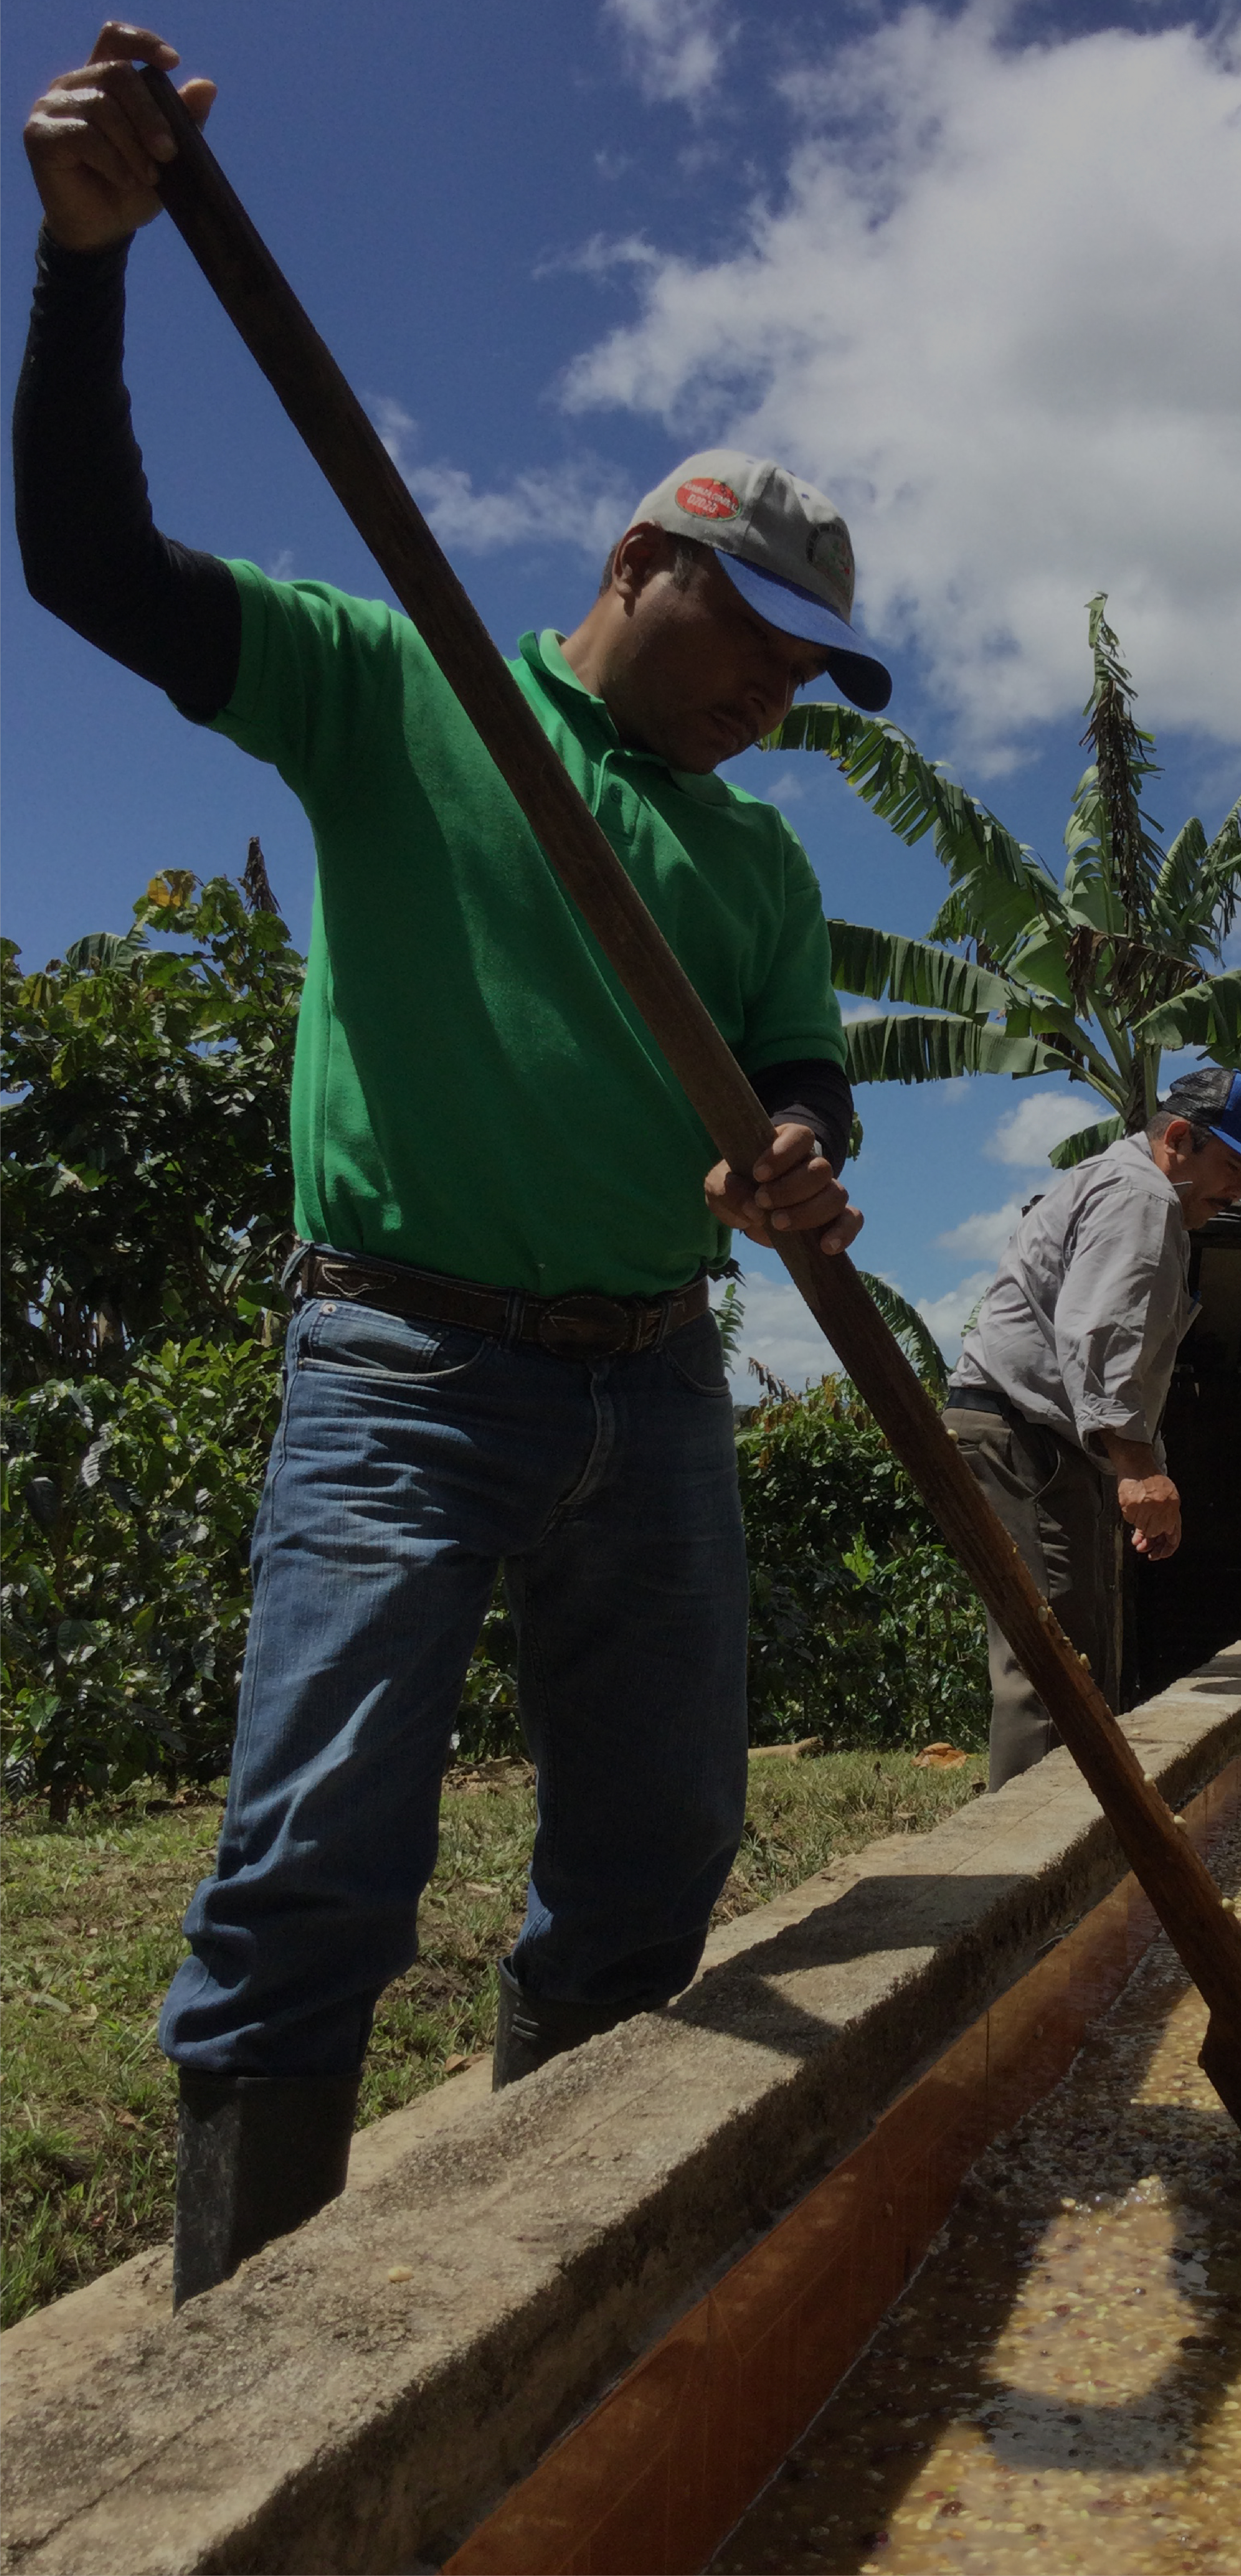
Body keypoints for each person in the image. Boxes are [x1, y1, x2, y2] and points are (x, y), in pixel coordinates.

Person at [16, 24, 892, 2304]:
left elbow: (804, 1074)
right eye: (758, 644)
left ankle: (541, 2297)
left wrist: (793, 1154)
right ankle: (233, 2397)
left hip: (658, 1387)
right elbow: (92, 561)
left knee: (656, 1858)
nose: (774, 697)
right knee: (316, 1860)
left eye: (814, 676)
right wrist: (89, 269)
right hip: (403, 1370)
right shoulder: (393, 694)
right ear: (638, 564)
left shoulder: (756, 863)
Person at [946, 1067, 1241, 1790]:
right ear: (1177, 1139)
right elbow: (1100, 1333)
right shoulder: (1139, 1193)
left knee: (1072, 1655)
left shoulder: (1128, 1188)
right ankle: (1029, 1881)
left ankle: (1070, 1846)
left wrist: (1143, 1462)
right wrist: (1137, 1469)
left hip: (1037, 1438)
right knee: (1052, 1670)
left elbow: (1117, 1354)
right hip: (1023, 1437)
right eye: (1233, 1167)